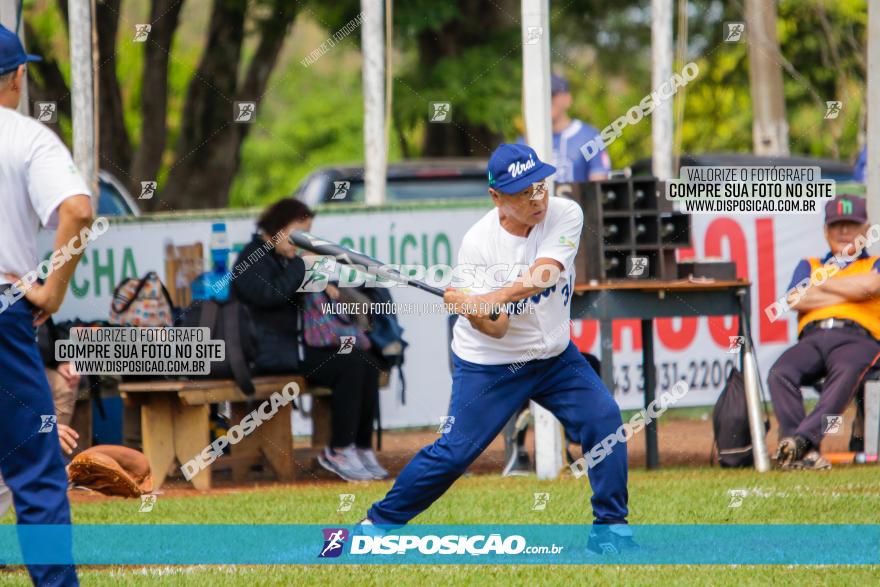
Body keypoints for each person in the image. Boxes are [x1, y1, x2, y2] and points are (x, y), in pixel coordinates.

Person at [362, 144, 632, 553]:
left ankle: (610, 528)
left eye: (539, 186)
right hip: (492, 364)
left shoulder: (565, 212)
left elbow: (545, 272)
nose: (537, 198)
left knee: (604, 419)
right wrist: (472, 310)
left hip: (556, 356)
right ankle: (375, 526)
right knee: (454, 454)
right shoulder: (477, 246)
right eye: (524, 192)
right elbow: (499, 329)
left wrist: (494, 296)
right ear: (496, 197)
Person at [0, 22, 92, 586]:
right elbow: (78, 211)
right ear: (16, 76)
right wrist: (51, 291)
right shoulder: (25, 137)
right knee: (35, 472)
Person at [231, 199, 388, 482]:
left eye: (307, 235)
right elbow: (271, 295)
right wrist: (303, 267)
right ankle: (338, 450)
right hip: (268, 354)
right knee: (350, 365)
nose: (302, 243)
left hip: (298, 350)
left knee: (367, 361)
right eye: (298, 234)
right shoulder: (251, 258)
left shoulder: (286, 258)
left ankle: (360, 447)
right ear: (278, 228)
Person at [769, 195, 880, 470]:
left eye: (851, 225)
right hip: (813, 337)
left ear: (866, 231)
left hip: (859, 338)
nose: (843, 232)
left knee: (845, 373)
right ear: (825, 231)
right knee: (780, 373)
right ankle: (800, 451)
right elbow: (795, 299)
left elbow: (871, 287)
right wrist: (851, 292)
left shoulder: (874, 263)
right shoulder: (808, 264)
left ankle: (802, 442)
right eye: (836, 225)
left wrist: (822, 285)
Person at [547, 73, 612, 183]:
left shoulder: (590, 137)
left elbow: (599, 186)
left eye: (551, 95)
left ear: (567, 99)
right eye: (541, 97)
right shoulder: (525, 141)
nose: (546, 101)